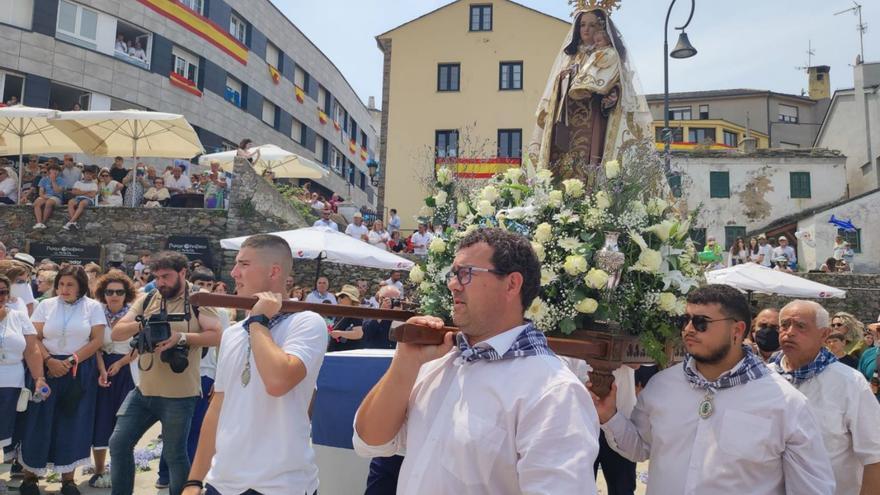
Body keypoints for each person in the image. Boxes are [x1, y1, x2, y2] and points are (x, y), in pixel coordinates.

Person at [354, 228, 600, 493]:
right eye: (453, 274)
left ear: (511, 284)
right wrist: (405, 363)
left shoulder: (554, 392)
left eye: (466, 273)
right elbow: (369, 442)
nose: (453, 284)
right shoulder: (436, 362)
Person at [593, 284, 835, 494]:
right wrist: (609, 416)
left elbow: (812, 488)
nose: (688, 329)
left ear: (737, 330)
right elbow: (640, 447)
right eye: (685, 320)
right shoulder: (662, 385)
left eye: (701, 323)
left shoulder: (785, 402)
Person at [182, 234, 326, 495]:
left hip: (280, 485)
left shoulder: (307, 322)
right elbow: (217, 408)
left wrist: (258, 321)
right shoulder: (232, 333)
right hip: (222, 481)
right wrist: (194, 480)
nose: (234, 272)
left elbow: (278, 381)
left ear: (274, 271)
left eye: (244, 264)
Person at [108, 251, 221, 495]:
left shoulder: (197, 299)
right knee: (118, 444)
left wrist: (181, 337)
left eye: (166, 276)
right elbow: (117, 332)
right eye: (156, 277)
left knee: (174, 454)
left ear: (182, 272)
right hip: (144, 391)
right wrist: (144, 324)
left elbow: (217, 335)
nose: (161, 282)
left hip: (180, 395)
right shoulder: (149, 298)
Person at [770, 300, 880, 495]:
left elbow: (875, 457)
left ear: (824, 335)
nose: (790, 332)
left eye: (801, 326)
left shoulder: (850, 383)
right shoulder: (764, 379)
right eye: (784, 325)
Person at [529, 5, 649, 178]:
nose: (586, 29)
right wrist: (564, 77)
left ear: (601, 29)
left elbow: (620, 84)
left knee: (590, 159)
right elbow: (557, 83)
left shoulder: (608, 55)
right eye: (583, 25)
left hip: (594, 116)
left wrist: (613, 92)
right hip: (567, 118)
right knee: (562, 163)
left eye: (592, 25)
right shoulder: (571, 56)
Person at [18, 266, 106, 495]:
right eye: (61, 284)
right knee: (38, 420)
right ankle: (30, 477)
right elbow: (35, 338)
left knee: (73, 421)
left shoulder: (93, 307)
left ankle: (68, 479)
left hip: (78, 369)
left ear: (81, 287)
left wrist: (70, 361)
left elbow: (97, 340)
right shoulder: (46, 305)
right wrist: (49, 361)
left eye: (70, 285)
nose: (64, 289)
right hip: (45, 367)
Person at [89, 271, 138, 489]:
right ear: (103, 293)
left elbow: (140, 346)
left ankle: (120, 470)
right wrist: (102, 369)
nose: (114, 296)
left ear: (127, 294)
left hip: (127, 369)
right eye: (110, 292)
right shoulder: (97, 314)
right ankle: (99, 470)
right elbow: (94, 344)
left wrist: (120, 363)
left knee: (123, 425)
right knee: (100, 419)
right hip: (101, 369)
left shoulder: (135, 315)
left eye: (119, 292)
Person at [0, 274, 46, 490]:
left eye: (3, 292)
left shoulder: (19, 317)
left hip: (12, 383)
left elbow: (32, 350)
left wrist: (39, 379)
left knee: (6, 430)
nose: (0, 296)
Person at [327, 285, 364, 352]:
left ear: (351, 299)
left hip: (347, 353)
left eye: (342, 297)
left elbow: (359, 334)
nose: (339, 299)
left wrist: (340, 333)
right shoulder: (342, 313)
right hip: (336, 352)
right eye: (339, 297)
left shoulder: (355, 314)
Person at [63, 165, 99, 230]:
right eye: (87, 174)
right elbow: (74, 192)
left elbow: (92, 195)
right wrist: (87, 192)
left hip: (89, 199)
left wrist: (80, 191)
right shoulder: (78, 182)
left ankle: (70, 222)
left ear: (92, 175)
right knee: (70, 202)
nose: (88, 175)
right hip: (78, 198)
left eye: (90, 174)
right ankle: (74, 222)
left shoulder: (94, 184)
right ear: (84, 174)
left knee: (82, 203)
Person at [32, 162, 65, 229]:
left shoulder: (61, 180)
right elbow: (41, 192)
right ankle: (39, 222)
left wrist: (53, 181)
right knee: (37, 203)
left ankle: (43, 222)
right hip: (46, 196)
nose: (55, 171)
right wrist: (44, 196)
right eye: (53, 170)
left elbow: (57, 191)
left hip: (56, 197)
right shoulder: (44, 179)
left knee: (49, 203)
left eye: (56, 170)